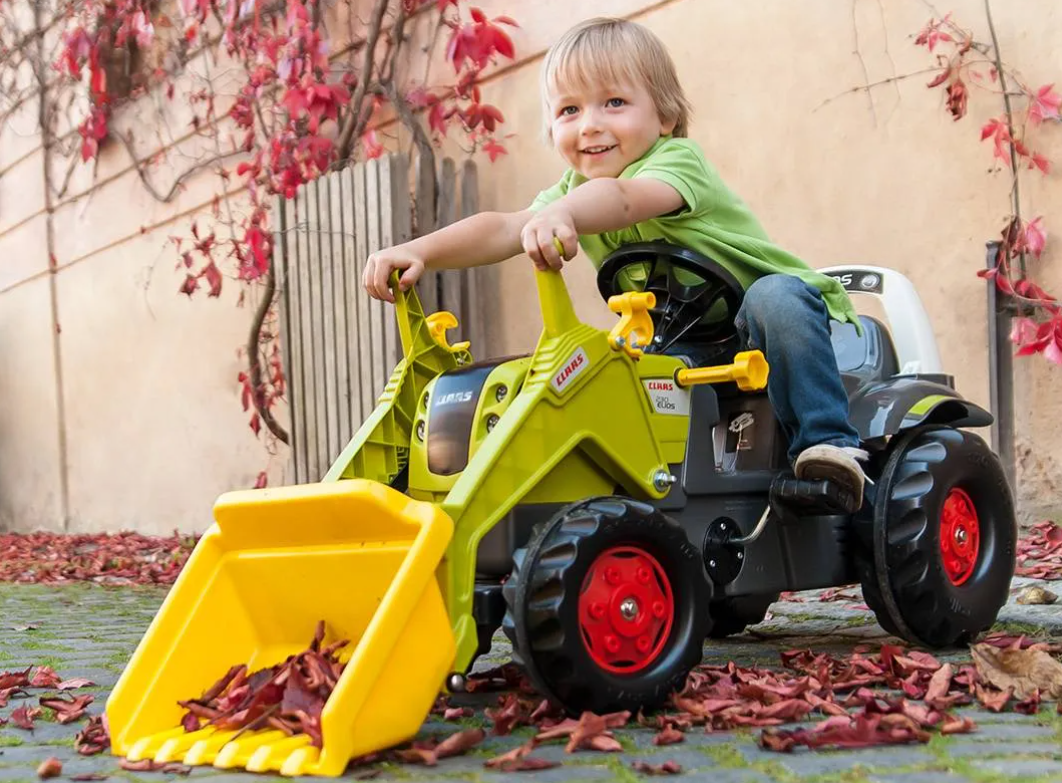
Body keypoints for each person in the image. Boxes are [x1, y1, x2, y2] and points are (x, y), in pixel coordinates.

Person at [362, 17, 870, 506]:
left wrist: (564, 212)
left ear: (665, 116)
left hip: (759, 327)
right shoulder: (572, 192)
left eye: (614, 102)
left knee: (774, 295)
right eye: (569, 111)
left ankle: (827, 446)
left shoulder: (676, 161)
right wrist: (419, 250)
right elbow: (501, 227)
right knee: (606, 371)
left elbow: (623, 199)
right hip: (680, 343)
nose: (590, 125)